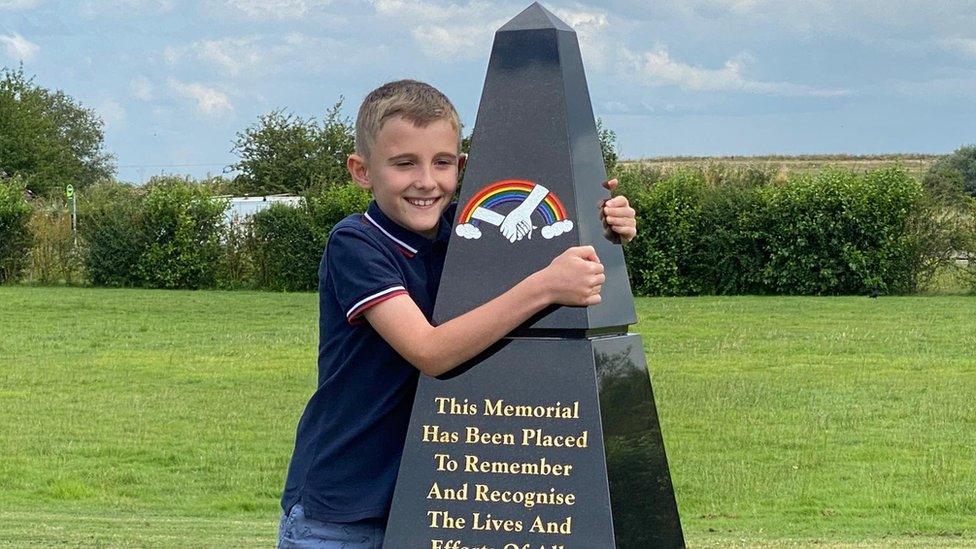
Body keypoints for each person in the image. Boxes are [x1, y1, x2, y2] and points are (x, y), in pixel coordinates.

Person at [277, 80, 637, 548]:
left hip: (434, 502)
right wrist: (545, 284)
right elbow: (430, 351)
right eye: (404, 163)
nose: (426, 181)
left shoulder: (466, 235)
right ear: (361, 171)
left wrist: (599, 217)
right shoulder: (357, 244)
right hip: (342, 513)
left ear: (462, 166)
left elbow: (550, 242)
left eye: (442, 162)